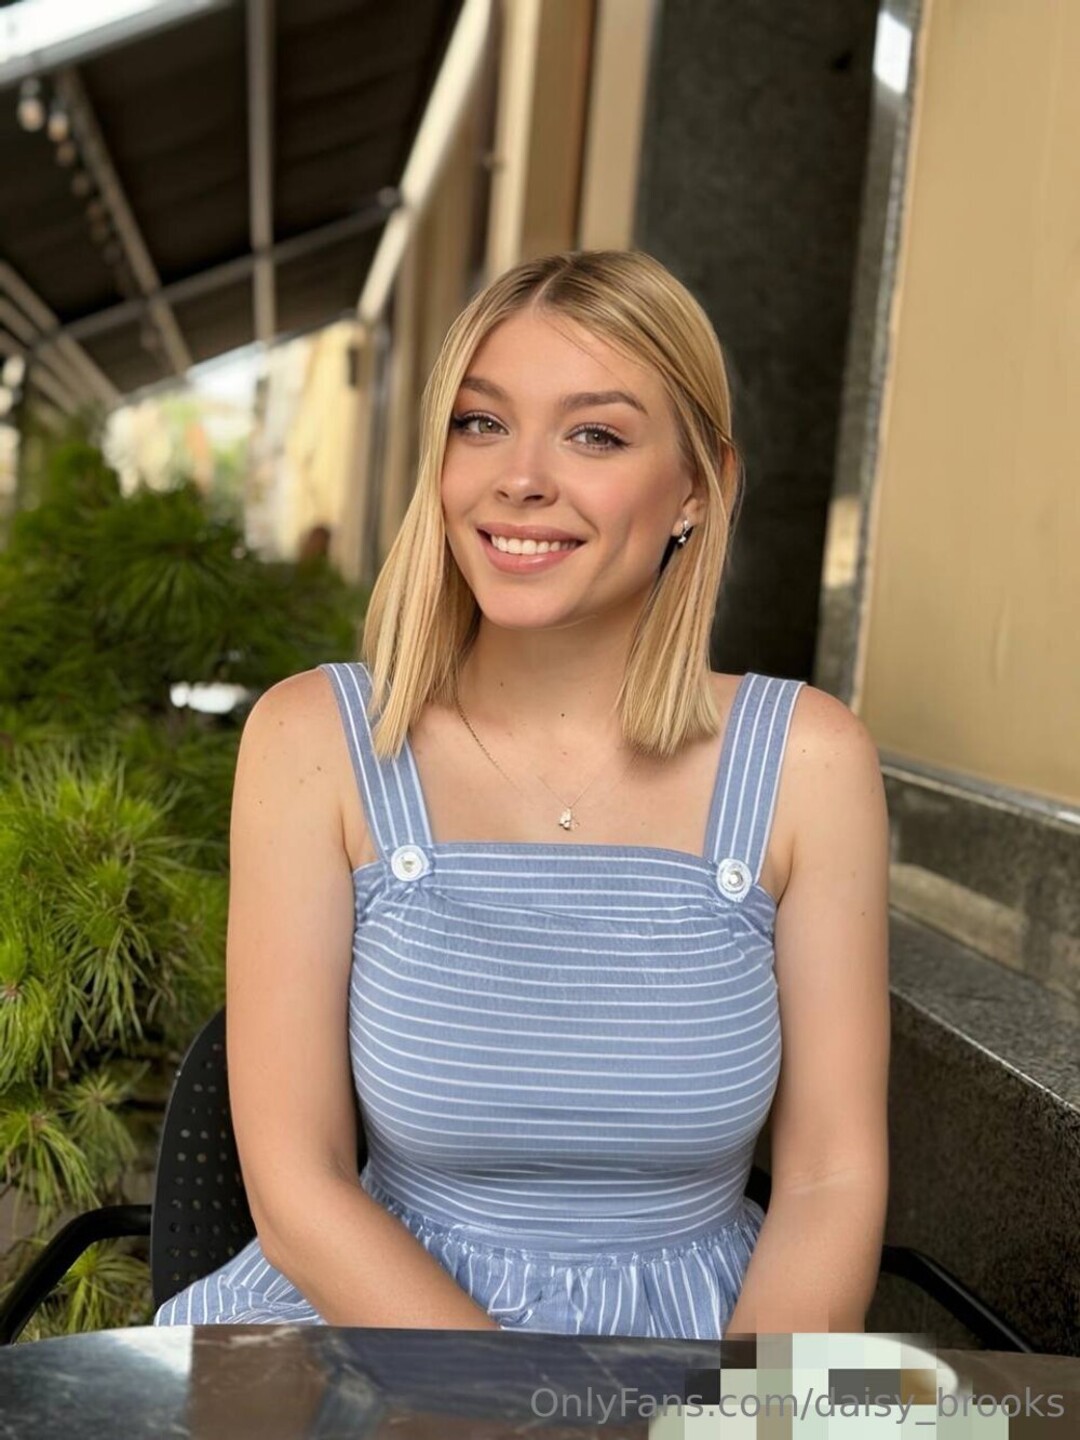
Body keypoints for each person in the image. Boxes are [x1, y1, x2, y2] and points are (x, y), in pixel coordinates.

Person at [154, 249, 890, 1338]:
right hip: (374, 1332)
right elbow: (297, 1186)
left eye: (595, 435)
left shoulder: (808, 761)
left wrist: (744, 1414)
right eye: (481, 423)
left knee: (991, 1414)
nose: (520, 478)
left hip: (714, 1350)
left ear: (700, 487)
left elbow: (831, 1176)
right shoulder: (314, 740)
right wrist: (510, 1408)